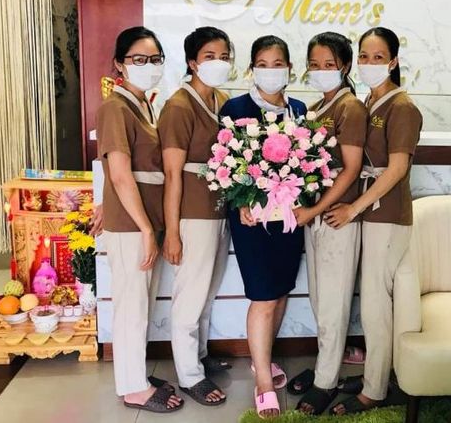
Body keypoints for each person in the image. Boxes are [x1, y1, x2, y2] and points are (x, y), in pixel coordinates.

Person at [325, 27, 422, 415]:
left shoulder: (402, 108)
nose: (368, 63)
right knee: (370, 302)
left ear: (393, 61)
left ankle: (376, 390)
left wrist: (353, 208)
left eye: (378, 57)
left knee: (375, 305)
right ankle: (375, 375)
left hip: (388, 216)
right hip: (371, 212)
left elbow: (396, 169)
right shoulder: (369, 101)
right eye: (363, 56)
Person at [219, 35, 307, 419]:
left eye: (278, 64)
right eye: (263, 64)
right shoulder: (235, 108)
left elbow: (307, 164)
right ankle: (264, 383)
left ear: (289, 68)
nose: (271, 71)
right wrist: (241, 203)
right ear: (252, 68)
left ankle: (263, 360)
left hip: (288, 217)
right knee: (263, 295)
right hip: (252, 219)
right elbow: (223, 164)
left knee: (282, 289)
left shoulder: (298, 109)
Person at [97, 26, 183, 413]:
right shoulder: (114, 108)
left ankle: (137, 375)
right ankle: (132, 387)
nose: (149, 66)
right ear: (120, 64)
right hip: (134, 225)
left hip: (146, 218)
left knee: (142, 303)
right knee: (131, 305)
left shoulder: (143, 105)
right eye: (138, 59)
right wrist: (147, 229)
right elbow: (119, 173)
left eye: (155, 59)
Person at [288, 32, 367, 415]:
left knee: (333, 303)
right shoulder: (318, 107)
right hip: (316, 214)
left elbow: (350, 169)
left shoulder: (350, 108)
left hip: (336, 216)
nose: (321, 71)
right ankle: (327, 366)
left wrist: (316, 209)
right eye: (314, 65)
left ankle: (325, 382)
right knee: (320, 300)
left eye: (329, 65)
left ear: (345, 66)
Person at [157, 26, 234, 406]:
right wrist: (172, 232)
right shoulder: (179, 107)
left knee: (207, 291)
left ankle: (199, 356)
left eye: (224, 56)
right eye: (209, 56)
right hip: (192, 215)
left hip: (219, 212)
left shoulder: (222, 101)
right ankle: (189, 375)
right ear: (192, 62)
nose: (218, 63)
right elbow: (173, 174)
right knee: (190, 296)